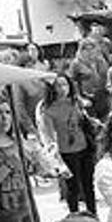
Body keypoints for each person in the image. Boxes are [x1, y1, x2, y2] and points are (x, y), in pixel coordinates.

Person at [38, 74, 97, 214]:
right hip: (66, 152)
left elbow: (84, 120)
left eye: (65, 84)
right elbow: (48, 136)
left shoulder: (76, 102)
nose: (63, 88)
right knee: (73, 187)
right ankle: (74, 215)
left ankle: (93, 213)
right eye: (58, 85)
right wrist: (55, 157)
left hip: (85, 147)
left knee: (89, 184)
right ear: (52, 88)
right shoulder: (48, 110)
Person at [67, 39, 111, 120]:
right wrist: (80, 98)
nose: (89, 51)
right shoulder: (76, 63)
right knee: (92, 122)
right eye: (86, 49)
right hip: (87, 96)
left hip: (102, 95)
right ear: (81, 50)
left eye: (92, 48)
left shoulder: (101, 61)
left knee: (106, 120)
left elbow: (107, 76)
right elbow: (72, 82)